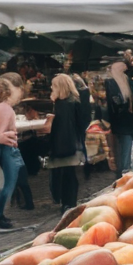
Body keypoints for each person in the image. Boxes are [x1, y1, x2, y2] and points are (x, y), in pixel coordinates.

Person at [0, 73, 28, 231]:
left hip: (10, 149)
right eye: (19, 88)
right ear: (13, 89)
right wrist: (9, 136)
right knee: (9, 185)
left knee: (12, 183)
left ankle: (1, 216)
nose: (21, 92)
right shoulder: (4, 108)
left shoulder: (4, 107)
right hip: (8, 149)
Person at [46, 74, 89, 212]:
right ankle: (69, 202)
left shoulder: (62, 104)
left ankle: (67, 203)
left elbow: (59, 127)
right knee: (69, 173)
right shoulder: (74, 102)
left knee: (65, 174)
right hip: (73, 143)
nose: (51, 88)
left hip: (63, 144)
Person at [105, 61, 133, 173]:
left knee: (123, 145)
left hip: (121, 121)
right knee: (124, 145)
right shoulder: (124, 82)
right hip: (124, 120)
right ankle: (124, 168)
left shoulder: (118, 82)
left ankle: (123, 168)